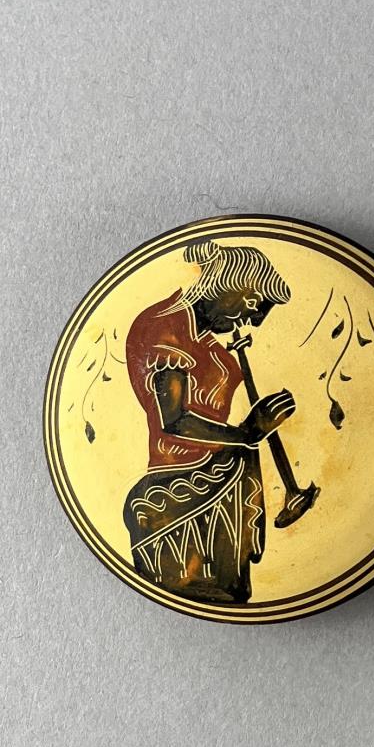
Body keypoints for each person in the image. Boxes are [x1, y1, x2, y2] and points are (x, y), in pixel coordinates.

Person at [122, 240, 295, 603]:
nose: (250, 321)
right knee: (216, 592)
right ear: (231, 287)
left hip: (223, 470)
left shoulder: (204, 338)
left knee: (233, 593)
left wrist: (250, 430)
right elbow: (174, 421)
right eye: (252, 306)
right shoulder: (165, 328)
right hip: (182, 475)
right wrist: (247, 433)